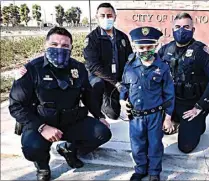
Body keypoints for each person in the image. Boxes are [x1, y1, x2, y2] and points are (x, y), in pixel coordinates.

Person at [9, 27, 112, 181]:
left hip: (71, 120)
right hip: (41, 122)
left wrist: (99, 116)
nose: (59, 49)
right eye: (54, 44)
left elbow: (87, 95)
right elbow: (16, 105)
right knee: (32, 147)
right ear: (45, 46)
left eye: (65, 46)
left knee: (102, 133)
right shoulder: (32, 70)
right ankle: (42, 166)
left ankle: (69, 150)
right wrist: (41, 127)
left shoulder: (78, 68)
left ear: (71, 48)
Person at [158, 12, 209, 153]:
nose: (181, 30)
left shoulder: (203, 51)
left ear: (193, 30)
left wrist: (200, 106)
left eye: (186, 27)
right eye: (178, 27)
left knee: (185, 147)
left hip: (192, 104)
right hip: (171, 101)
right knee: (155, 128)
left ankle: (199, 121)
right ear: (173, 29)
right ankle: (177, 120)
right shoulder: (165, 50)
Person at [120, 26, 175, 181]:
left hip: (154, 115)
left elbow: (169, 94)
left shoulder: (163, 67)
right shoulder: (130, 64)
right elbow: (125, 85)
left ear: (156, 45)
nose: (145, 50)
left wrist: (168, 117)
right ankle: (140, 169)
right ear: (135, 47)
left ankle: (154, 172)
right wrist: (122, 101)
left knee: (155, 145)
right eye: (141, 47)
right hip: (135, 117)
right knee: (137, 145)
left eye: (149, 46)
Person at [83, 2, 133, 120]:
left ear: (115, 16)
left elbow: (130, 59)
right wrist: (116, 83)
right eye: (102, 16)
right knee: (112, 113)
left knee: (118, 113)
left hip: (119, 79)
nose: (106, 18)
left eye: (109, 15)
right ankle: (97, 110)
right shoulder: (91, 39)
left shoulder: (122, 37)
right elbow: (94, 67)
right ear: (97, 18)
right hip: (103, 80)